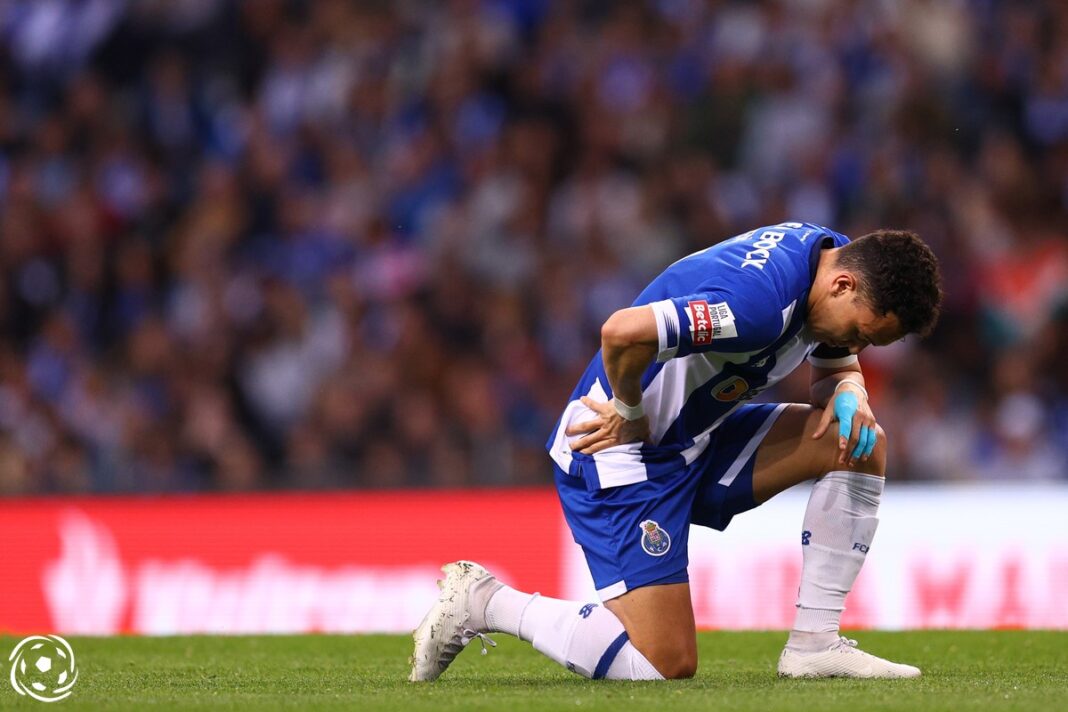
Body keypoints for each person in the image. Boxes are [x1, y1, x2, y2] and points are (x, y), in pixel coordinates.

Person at [409, 222, 943, 681]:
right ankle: (482, 601)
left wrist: (851, 389)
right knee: (664, 662)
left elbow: (833, 363)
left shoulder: (828, 259)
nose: (858, 346)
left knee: (859, 446)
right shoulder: (755, 307)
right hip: (617, 448)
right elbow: (621, 332)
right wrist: (631, 410)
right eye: (861, 332)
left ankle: (814, 646)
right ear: (843, 285)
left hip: (697, 436)